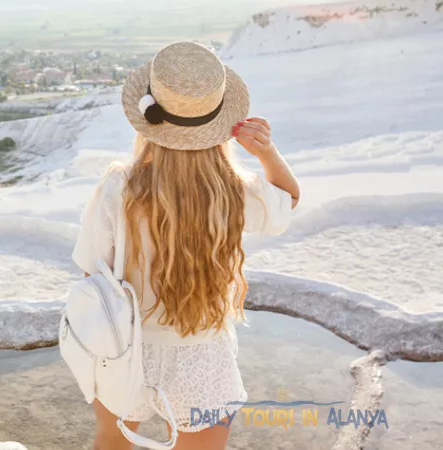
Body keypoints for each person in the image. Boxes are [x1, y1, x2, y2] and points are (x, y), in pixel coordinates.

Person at [71, 42, 300, 450]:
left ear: (148, 121)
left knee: (112, 440)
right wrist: (267, 153)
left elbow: (92, 270)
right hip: (203, 351)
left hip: (125, 347)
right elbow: (287, 202)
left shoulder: (118, 187)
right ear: (219, 121)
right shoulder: (232, 191)